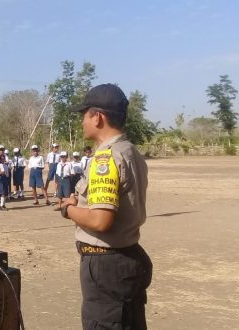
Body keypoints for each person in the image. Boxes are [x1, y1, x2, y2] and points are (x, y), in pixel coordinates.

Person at [60, 83, 152, 329]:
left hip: (106, 266)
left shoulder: (106, 158)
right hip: (126, 259)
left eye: (84, 115)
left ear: (98, 117)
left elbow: (101, 220)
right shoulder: (130, 151)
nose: (82, 122)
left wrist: (68, 209)